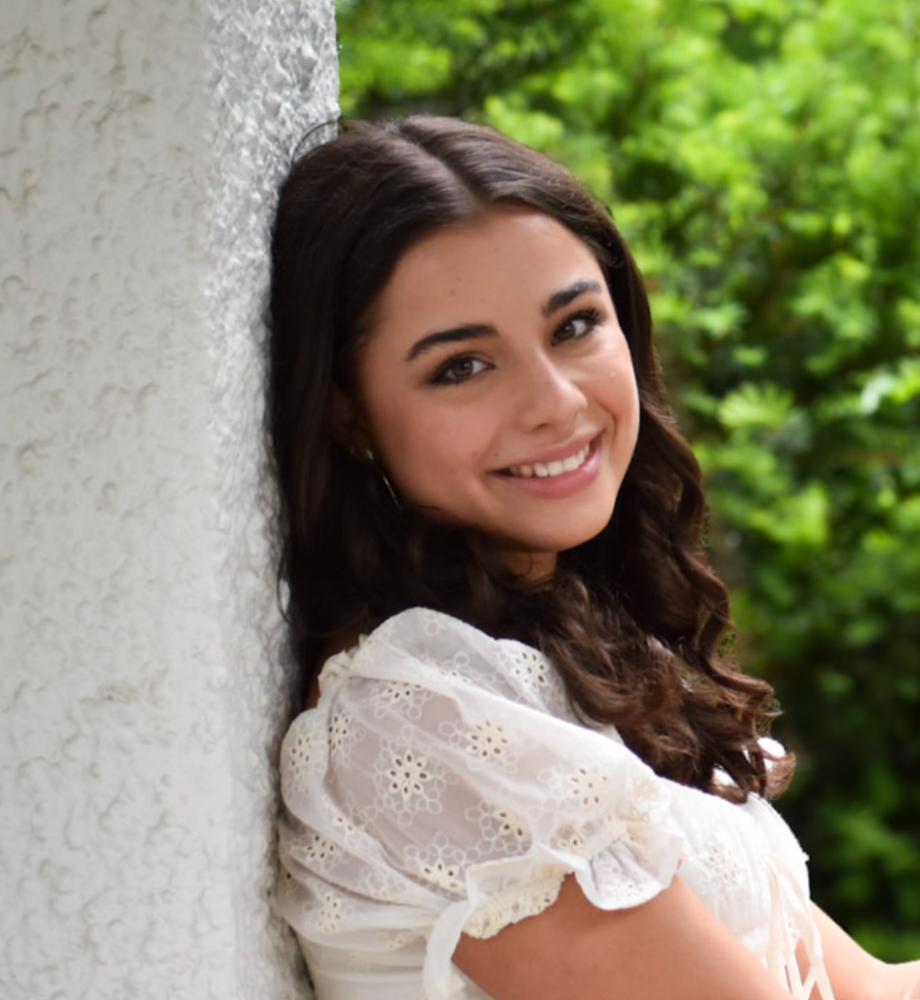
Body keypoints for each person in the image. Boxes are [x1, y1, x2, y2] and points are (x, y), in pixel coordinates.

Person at [267, 116, 918, 1000]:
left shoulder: (556, 668)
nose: (555, 400)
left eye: (574, 324)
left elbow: (869, 990)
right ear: (349, 414)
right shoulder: (417, 715)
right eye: (462, 366)